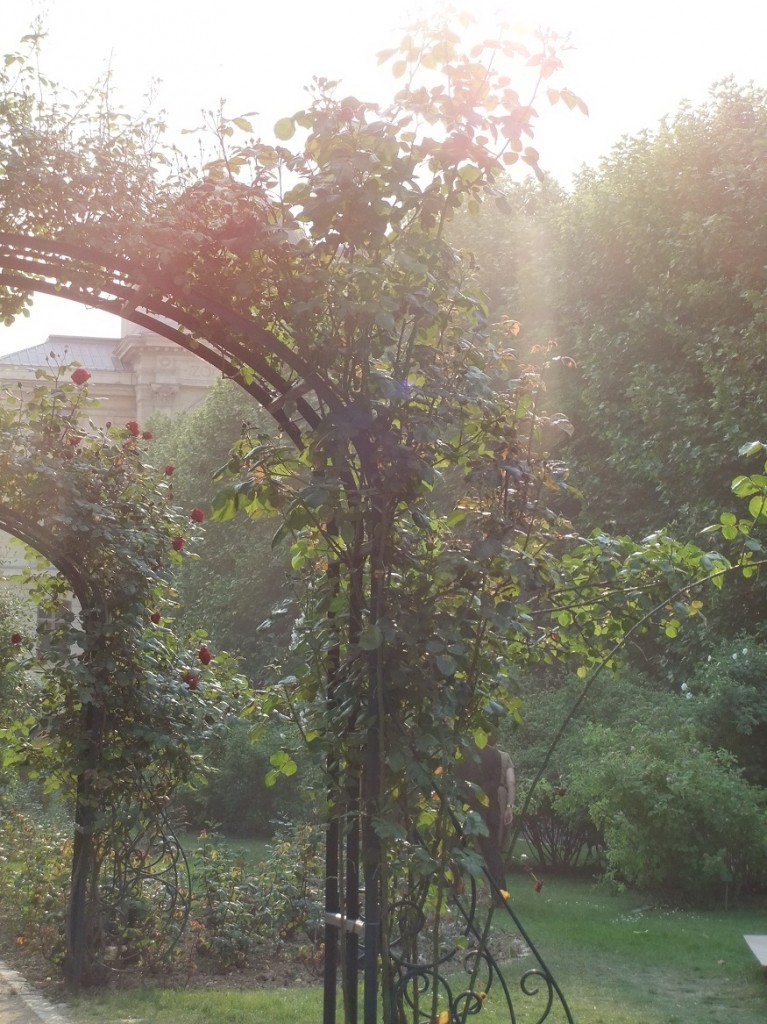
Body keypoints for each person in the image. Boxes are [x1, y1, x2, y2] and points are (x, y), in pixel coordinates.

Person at [460, 735, 516, 901]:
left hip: (472, 807)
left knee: (460, 849)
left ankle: (454, 890)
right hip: (488, 809)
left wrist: (470, 795)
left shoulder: (466, 752)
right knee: (492, 855)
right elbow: (498, 782)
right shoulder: (495, 755)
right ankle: (499, 896)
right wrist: (509, 806)